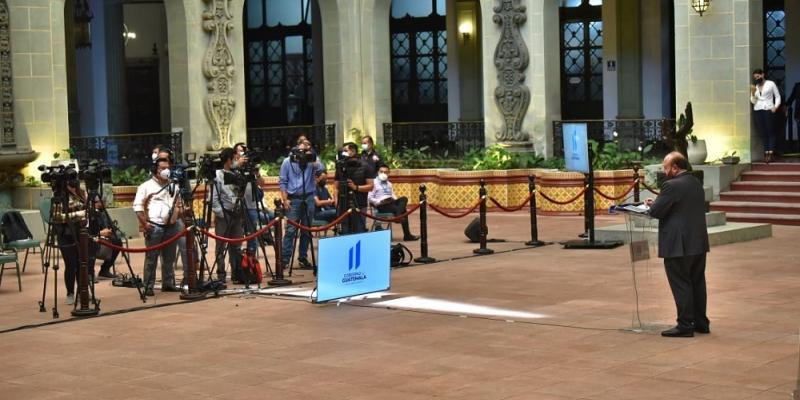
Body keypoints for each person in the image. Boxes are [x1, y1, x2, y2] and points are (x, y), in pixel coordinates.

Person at [645, 152, 710, 338]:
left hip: (678, 244)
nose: (664, 171)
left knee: (681, 283)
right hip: (698, 242)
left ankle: (685, 325)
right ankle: (701, 322)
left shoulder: (671, 185)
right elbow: (681, 205)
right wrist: (657, 203)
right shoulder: (695, 182)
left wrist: (651, 206)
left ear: (675, 167)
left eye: (665, 167)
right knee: (697, 282)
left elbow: (656, 212)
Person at [133, 158, 180, 296]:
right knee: (151, 258)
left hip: (171, 226)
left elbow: (178, 204)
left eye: (167, 168)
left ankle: (168, 283)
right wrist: (145, 224)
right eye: (162, 168)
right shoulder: (145, 186)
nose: (166, 171)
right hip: (154, 227)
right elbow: (137, 207)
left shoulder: (174, 185)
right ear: (155, 170)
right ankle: (148, 286)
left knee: (169, 258)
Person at [279, 139, 321, 268]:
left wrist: (311, 156)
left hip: (308, 197)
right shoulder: (287, 162)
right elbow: (283, 181)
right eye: (301, 149)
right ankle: (284, 260)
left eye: (307, 148)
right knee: (290, 230)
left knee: (306, 230)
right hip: (293, 199)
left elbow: (321, 169)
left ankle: (303, 258)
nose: (303, 151)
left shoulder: (311, 160)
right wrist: (285, 199)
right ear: (296, 148)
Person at [234, 142, 274, 255]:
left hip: (251, 205)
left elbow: (262, 183)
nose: (243, 153)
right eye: (240, 150)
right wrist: (238, 165)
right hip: (237, 205)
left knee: (252, 234)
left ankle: (252, 258)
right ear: (235, 154)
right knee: (236, 235)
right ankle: (238, 258)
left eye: (244, 150)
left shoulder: (250, 167)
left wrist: (257, 173)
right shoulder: (233, 167)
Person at [212, 148, 244, 284]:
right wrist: (222, 214)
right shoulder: (217, 175)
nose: (237, 161)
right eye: (235, 159)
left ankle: (236, 273)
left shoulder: (238, 174)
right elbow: (214, 199)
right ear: (228, 160)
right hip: (224, 214)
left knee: (236, 246)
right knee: (221, 246)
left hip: (237, 213)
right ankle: (221, 274)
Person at [367, 165, 419, 241]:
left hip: (391, 203)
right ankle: (407, 235)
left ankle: (398, 217)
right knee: (404, 211)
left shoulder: (389, 184)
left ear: (388, 173)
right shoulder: (373, 183)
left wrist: (397, 202)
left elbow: (393, 195)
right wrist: (379, 202)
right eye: (381, 172)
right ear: (378, 172)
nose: (383, 173)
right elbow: (370, 198)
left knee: (404, 199)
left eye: (385, 172)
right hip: (381, 205)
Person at [340, 142, 374, 234]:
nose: (343, 153)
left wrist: (356, 187)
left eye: (345, 151)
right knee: (345, 233)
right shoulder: (341, 166)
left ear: (353, 151)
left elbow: (371, 186)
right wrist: (336, 202)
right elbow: (336, 187)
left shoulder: (365, 166)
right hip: (344, 205)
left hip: (360, 204)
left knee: (359, 232)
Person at [750, 69, 782, 163]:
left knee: (770, 131)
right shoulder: (755, 86)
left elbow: (777, 96)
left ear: (762, 75)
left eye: (758, 76)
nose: (757, 78)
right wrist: (753, 94)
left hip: (768, 109)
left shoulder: (770, 84)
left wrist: (775, 107)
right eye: (755, 77)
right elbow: (753, 101)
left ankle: (771, 153)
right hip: (758, 110)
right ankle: (766, 153)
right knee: (763, 132)